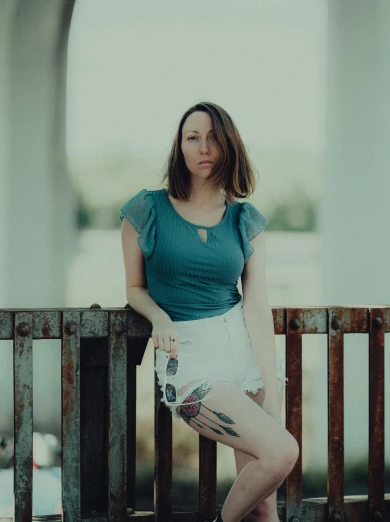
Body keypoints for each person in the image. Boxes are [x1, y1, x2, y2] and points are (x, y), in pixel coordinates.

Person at [119, 102, 297, 522]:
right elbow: (133, 289)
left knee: (266, 507)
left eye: (213, 137)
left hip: (244, 350)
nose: (203, 147)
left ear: (228, 144)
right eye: (192, 137)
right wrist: (159, 317)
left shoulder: (244, 218)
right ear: (179, 146)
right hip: (190, 356)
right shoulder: (146, 211)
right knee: (281, 453)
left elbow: (256, 302)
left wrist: (270, 386)